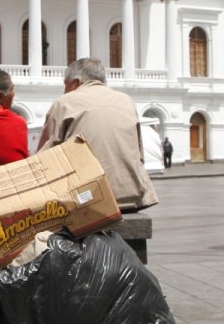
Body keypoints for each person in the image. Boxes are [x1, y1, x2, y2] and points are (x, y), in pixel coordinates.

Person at [37, 58, 158, 212]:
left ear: (76, 82)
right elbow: (139, 155)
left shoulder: (64, 102)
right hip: (130, 197)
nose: (64, 90)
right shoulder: (127, 101)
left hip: (87, 200)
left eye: (65, 85)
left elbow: (43, 158)